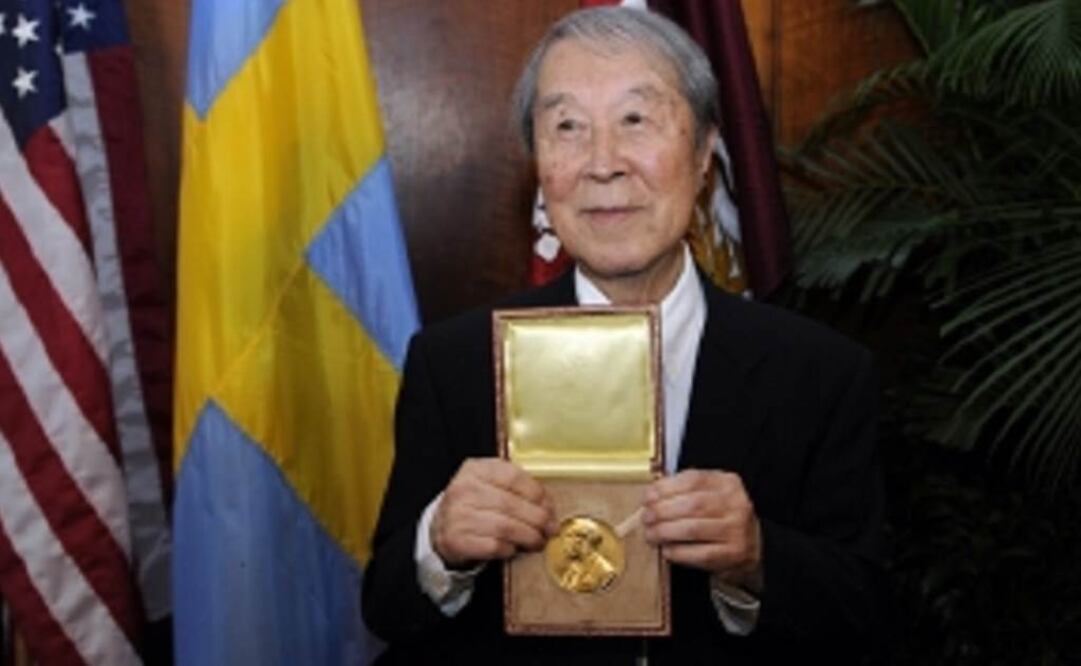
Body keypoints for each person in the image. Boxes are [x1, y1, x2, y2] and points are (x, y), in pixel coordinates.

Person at [362, 7, 883, 665]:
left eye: (635, 120)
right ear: (539, 172)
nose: (602, 164)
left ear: (701, 157)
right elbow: (385, 607)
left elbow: (862, 612)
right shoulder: (455, 360)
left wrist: (757, 556)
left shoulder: (820, 373)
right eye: (567, 128)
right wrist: (439, 545)